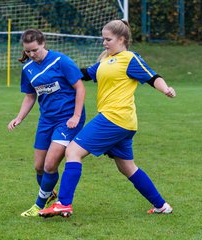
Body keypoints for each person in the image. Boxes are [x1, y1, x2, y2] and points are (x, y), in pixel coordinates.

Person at [39, 20, 176, 218]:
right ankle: (162, 206)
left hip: (114, 118)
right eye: (103, 39)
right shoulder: (106, 60)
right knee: (127, 167)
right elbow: (85, 74)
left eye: (108, 39)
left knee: (73, 151)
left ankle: (63, 204)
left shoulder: (130, 58)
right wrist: (59, 70)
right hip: (122, 122)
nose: (104, 43)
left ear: (121, 39)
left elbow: (152, 77)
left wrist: (166, 89)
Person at [7, 29, 86, 217]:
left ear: (43, 44)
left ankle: (38, 205)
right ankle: (50, 194)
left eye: (34, 50)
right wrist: (19, 117)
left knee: (50, 165)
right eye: (27, 51)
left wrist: (75, 116)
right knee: (39, 166)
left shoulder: (61, 61)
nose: (31, 55)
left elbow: (80, 88)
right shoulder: (28, 69)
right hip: (46, 120)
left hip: (67, 120)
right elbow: (30, 96)